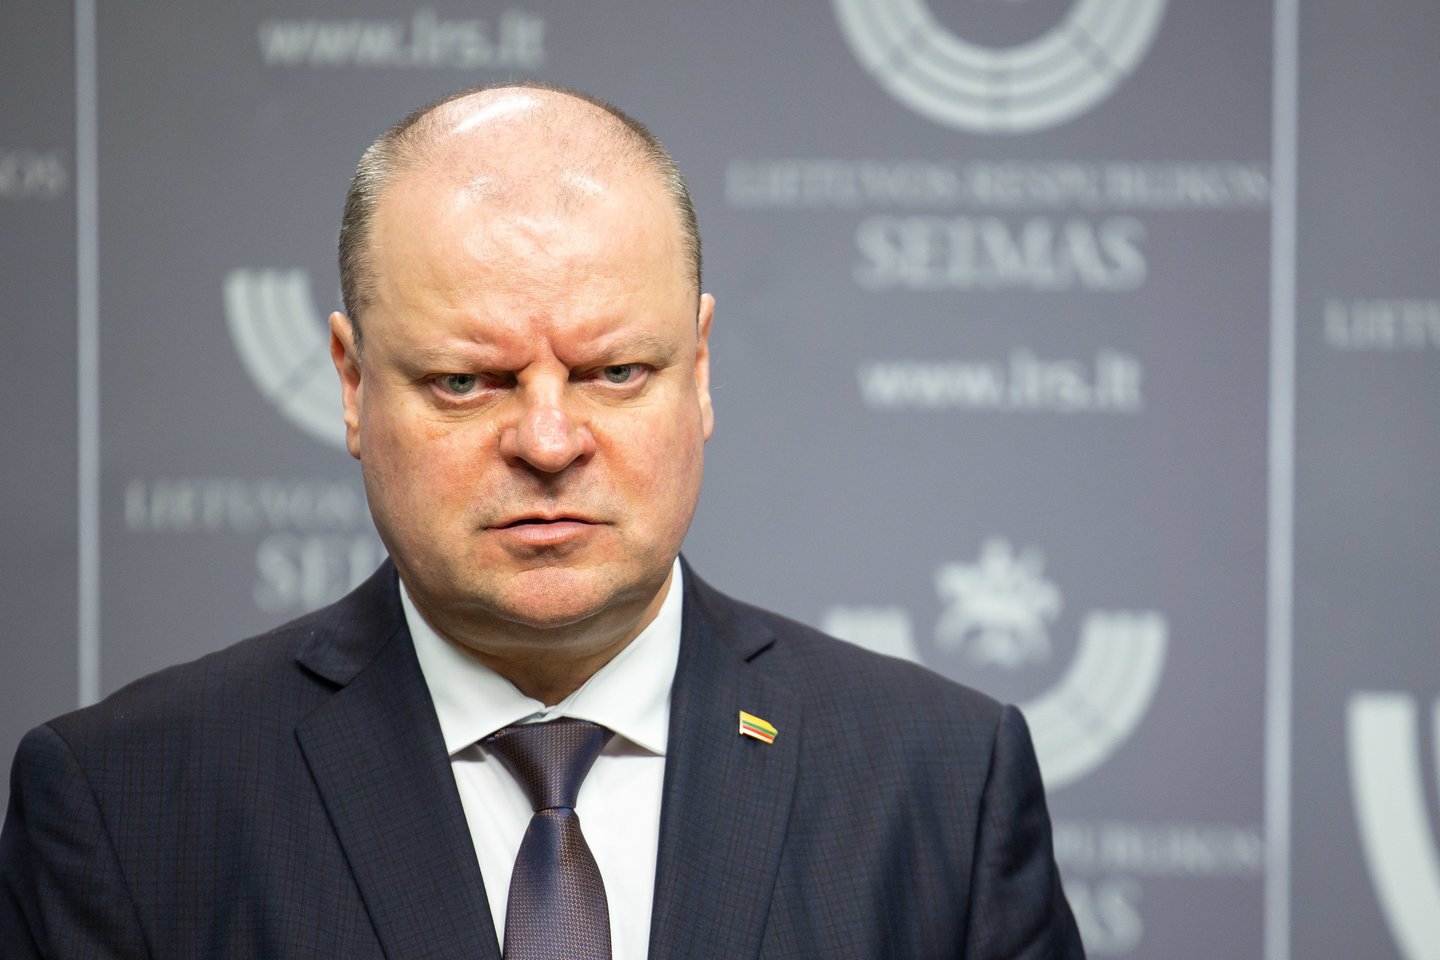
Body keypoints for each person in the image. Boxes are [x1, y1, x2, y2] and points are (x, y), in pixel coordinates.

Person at [0, 83, 1084, 959]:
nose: (551, 441)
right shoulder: (126, 806)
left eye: (616, 371)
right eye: (468, 382)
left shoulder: (944, 784)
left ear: (700, 370)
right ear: (351, 384)